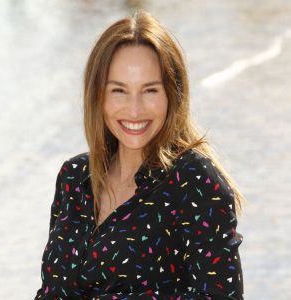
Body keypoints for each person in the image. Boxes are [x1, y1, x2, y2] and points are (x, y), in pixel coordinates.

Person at [35, 9, 245, 300]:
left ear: (173, 94)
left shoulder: (195, 182)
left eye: (150, 90)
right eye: (119, 91)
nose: (135, 110)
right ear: (98, 96)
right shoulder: (73, 177)